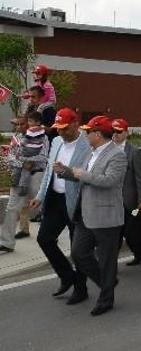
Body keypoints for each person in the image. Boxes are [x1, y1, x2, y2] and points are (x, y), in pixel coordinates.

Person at [61, 116, 127, 316]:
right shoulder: (91, 153)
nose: (85, 134)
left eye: (88, 131)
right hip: (85, 213)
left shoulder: (117, 155)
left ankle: (106, 299)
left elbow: (110, 181)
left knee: (107, 260)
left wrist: (83, 175)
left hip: (106, 216)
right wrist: (65, 172)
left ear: (98, 135)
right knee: (79, 254)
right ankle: (107, 282)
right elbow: (82, 176)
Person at [29, 108, 90, 298]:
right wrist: (39, 196)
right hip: (55, 198)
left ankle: (81, 289)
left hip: (76, 200)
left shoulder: (87, 145)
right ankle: (67, 276)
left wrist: (68, 171)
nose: (61, 132)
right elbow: (49, 171)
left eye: (64, 128)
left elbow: (89, 176)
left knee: (77, 248)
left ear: (75, 124)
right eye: (58, 128)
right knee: (44, 239)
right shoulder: (56, 141)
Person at [0, 113, 48, 253]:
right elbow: (9, 157)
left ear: (30, 124)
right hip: (19, 177)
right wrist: (22, 163)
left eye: (23, 124)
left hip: (36, 175)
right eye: (18, 124)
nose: (20, 127)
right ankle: (7, 243)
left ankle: (50, 235)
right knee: (11, 209)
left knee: (41, 208)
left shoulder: (42, 137)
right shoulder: (16, 138)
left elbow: (44, 157)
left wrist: (30, 162)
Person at [111, 118, 141, 267]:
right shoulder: (107, 150)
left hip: (129, 200)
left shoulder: (134, 153)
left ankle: (140, 254)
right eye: (113, 131)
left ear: (126, 133)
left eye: (119, 131)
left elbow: (140, 179)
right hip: (112, 200)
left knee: (131, 234)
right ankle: (110, 264)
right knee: (115, 234)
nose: (115, 134)